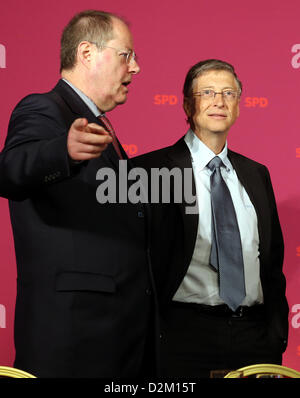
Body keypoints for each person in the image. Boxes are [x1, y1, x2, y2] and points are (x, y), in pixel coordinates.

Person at [0, 10, 158, 378]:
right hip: (75, 337)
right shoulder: (43, 108)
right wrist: (62, 151)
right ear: (87, 53)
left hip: (118, 335)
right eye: (126, 55)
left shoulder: (103, 127)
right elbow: (11, 169)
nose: (135, 68)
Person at [135, 59, 289, 377]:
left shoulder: (257, 173)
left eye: (228, 93)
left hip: (255, 338)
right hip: (182, 337)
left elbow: (272, 265)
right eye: (207, 92)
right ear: (188, 104)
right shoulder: (150, 172)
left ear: (238, 105)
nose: (219, 101)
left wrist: (275, 336)